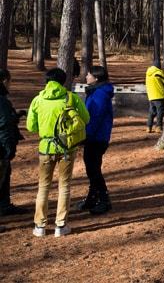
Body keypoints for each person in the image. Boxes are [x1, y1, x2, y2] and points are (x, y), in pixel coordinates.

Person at [27, 68, 90, 237]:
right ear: (63, 82)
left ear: (47, 81)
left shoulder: (38, 100)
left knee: (43, 186)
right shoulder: (71, 98)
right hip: (67, 148)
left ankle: (39, 226)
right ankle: (60, 226)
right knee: (64, 186)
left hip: (45, 148)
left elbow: (30, 127)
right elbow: (86, 118)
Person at [78, 66, 114, 215]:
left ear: (96, 78)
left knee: (93, 169)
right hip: (95, 136)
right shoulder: (96, 91)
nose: (86, 76)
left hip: (96, 138)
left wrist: (85, 136)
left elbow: (95, 118)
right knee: (92, 168)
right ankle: (92, 198)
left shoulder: (100, 94)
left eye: (89, 74)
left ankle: (104, 200)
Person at [0, 68, 26, 216]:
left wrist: (16, 116)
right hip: (1, 148)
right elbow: (4, 126)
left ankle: (4, 205)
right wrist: (8, 149)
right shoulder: (2, 101)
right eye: (10, 81)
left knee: (5, 177)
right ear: (4, 81)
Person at [145, 62, 164, 133]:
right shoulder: (158, 73)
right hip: (159, 95)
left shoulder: (148, 74)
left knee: (152, 112)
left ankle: (148, 127)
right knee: (160, 112)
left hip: (151, 96)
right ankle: (158, 127)